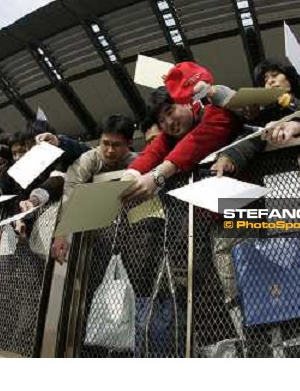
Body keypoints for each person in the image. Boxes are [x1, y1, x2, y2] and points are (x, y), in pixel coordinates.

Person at [121, 85, 242, 201]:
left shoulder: (216, 114)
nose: (168, 122)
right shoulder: (168, 137)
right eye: (161, 120)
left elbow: (192, 144)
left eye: (170, 112)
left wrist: (157, 177)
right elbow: (151, 153)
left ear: (186, 102)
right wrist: (126, 181)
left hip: (242, 201)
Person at [51, 114, 138, 262]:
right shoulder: (89, 159)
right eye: (105, 143)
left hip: (129, 230)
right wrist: (61, 233)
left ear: (129, 143)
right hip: (93, 233)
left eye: (116, 145)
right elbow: (70, 191)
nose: (110, 150)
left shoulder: (137, 162)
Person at [210, 56, 300, 177]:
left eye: (275, 75)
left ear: (289, 79)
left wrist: (289, 101)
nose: (270, 81)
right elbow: (250, 139)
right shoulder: (266, 117)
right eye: (265, 80)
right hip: (285, 177)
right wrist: (229, 157)